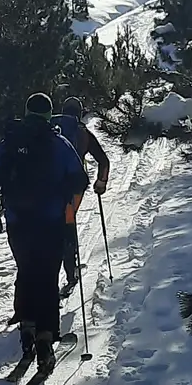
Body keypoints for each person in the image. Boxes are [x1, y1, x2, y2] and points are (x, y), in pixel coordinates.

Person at [0, 92, 89, 377]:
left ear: (27, 112)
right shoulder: (59, 143)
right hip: (51, 221)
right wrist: (64, 196)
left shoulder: (9, 142)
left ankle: (27, 329)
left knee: (27, 271)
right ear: (49, 114)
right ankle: (45, 338)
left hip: (18, 222)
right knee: (47, 277)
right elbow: (80, 180)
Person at [52, 97, 110, 290]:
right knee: (68, 225)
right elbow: (103, 161)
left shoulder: (50, 128)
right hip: (73, 191)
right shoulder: (82, 133)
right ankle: (71, 273)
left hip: (47, 190)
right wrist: (101, 183)